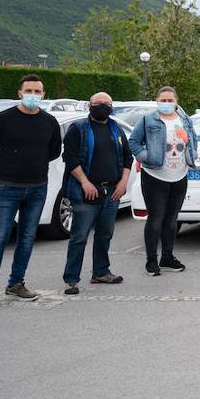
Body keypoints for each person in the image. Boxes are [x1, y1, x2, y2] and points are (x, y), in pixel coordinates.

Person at [0, 74, 62, 312]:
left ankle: (16, 283)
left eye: (38, 91)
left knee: (27, 238)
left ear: (43, 95)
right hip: (6, 187)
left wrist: (33, 165)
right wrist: (4, 167)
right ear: (20, 93)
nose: (33, 95)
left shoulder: (49, 121)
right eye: (29, 91)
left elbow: (54, 151)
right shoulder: (3, 119)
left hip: (37, 187)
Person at [61, 92, 131, 295]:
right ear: (89, 106)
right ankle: (71, 279)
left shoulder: (115, 128)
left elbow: (127, 157)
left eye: (107, 103)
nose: (103, 106)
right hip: (86, 192)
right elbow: (70, 158)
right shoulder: (78, 129)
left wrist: (123, 182)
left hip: (112, 191)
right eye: (98, 103)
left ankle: (101, 272)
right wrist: (85, 182)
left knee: (105, 234)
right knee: (79, 236)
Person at [128, 86, 197, 276]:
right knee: (156, 218)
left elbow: (193, 139)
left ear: (176, 101)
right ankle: (151, 261)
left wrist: (192, 156)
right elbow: (133, 142)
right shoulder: (147, 119)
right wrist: (146, 156)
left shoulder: (184, 119)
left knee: (172, 219)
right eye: (163, 100)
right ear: (157, 100)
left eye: (170, 100)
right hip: (155, 176)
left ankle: (167, 257)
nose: (166, 104)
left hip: (179, 176)